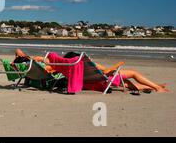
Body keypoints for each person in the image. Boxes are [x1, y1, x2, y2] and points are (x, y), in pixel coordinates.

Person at [14, 49, 169, 93]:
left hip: (89, 84)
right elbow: (106, 71)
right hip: (103, 81)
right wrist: (118, 64)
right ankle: (156, 87)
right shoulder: (86, 64)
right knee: (133, 74)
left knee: (127, 84)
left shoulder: (60, 66)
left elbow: (20, 51)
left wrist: (31, 58)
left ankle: (155, 86)